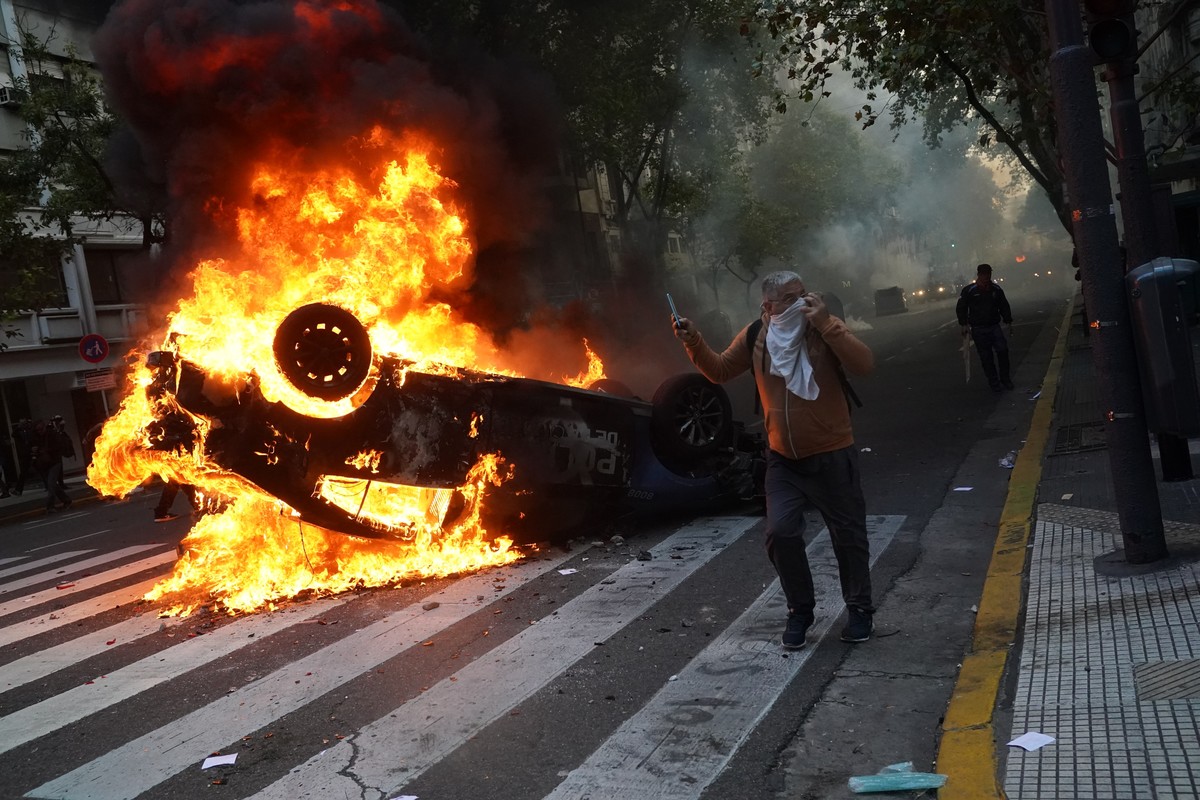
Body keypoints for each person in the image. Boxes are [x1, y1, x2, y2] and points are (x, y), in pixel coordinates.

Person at [672, 270, 876, 649]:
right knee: (780, 533)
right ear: (768, 306)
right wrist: (694, 341)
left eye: (803, 294)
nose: (802, 301)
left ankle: (860, 609)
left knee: (848, 537)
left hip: (833, 454)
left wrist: (827, 323)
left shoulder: (822, 329)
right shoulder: (755, 336)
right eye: (791, 297)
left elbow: (864, 363)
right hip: (784, 461)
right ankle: (800, 610)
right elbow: (718, 370)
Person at [956, 263, 1013, 392]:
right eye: (984, 274)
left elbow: (1004, 305)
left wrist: (1008, 320)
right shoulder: (969, 291)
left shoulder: (996, 289)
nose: (987, 276)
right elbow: (961, 308)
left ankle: (1005, 379)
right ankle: (994, 383)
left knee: (1003, 352)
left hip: (994, 326)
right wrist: (964, 324)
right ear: (979, 275)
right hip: (979, 329)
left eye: (988, 274)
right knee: (986, 358)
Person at [31, 419, 72, 513]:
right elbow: (30, 449)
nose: (39, 431)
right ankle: (66, 500)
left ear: (44, 427)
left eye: (41, 429)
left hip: (54, 462)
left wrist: (46, 450)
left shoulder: (52, 435)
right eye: (37, 430)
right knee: (53, 485)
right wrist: (34, 451)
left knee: (51, 484)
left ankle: (50, 506)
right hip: (43, 464)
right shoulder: (35, 438)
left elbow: (58, 447)